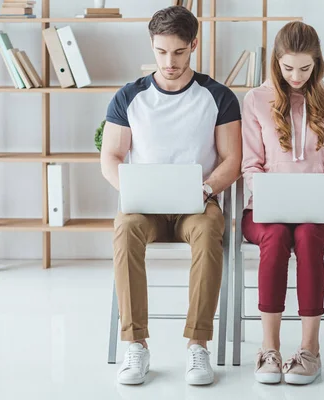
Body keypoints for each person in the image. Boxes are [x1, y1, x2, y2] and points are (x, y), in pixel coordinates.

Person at [100, 6, 241, 386]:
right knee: (124, 229)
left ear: (193, 44)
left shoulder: (218, 96)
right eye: (161, 52)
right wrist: (130, 188)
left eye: (178, 52)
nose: (169, 62)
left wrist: (207, 188)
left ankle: (198, 345)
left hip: (196, 205)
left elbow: (232, 160)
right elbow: (110, 157)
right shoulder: (130, 97)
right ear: (152, 45)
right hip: (144, 207)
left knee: (212, 228)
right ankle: (137, 345)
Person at [241, 21, 324, 385]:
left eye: (305, 68)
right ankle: (269, 348)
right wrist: (271, 191)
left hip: (318, 212)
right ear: (277, 61)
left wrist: (323, 188)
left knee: (306, 237)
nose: (296, 75)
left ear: (317, 62)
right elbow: (250, 164)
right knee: (274, 238)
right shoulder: (256, 100)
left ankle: (309, 349)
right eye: (288, 68)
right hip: (265, 211)